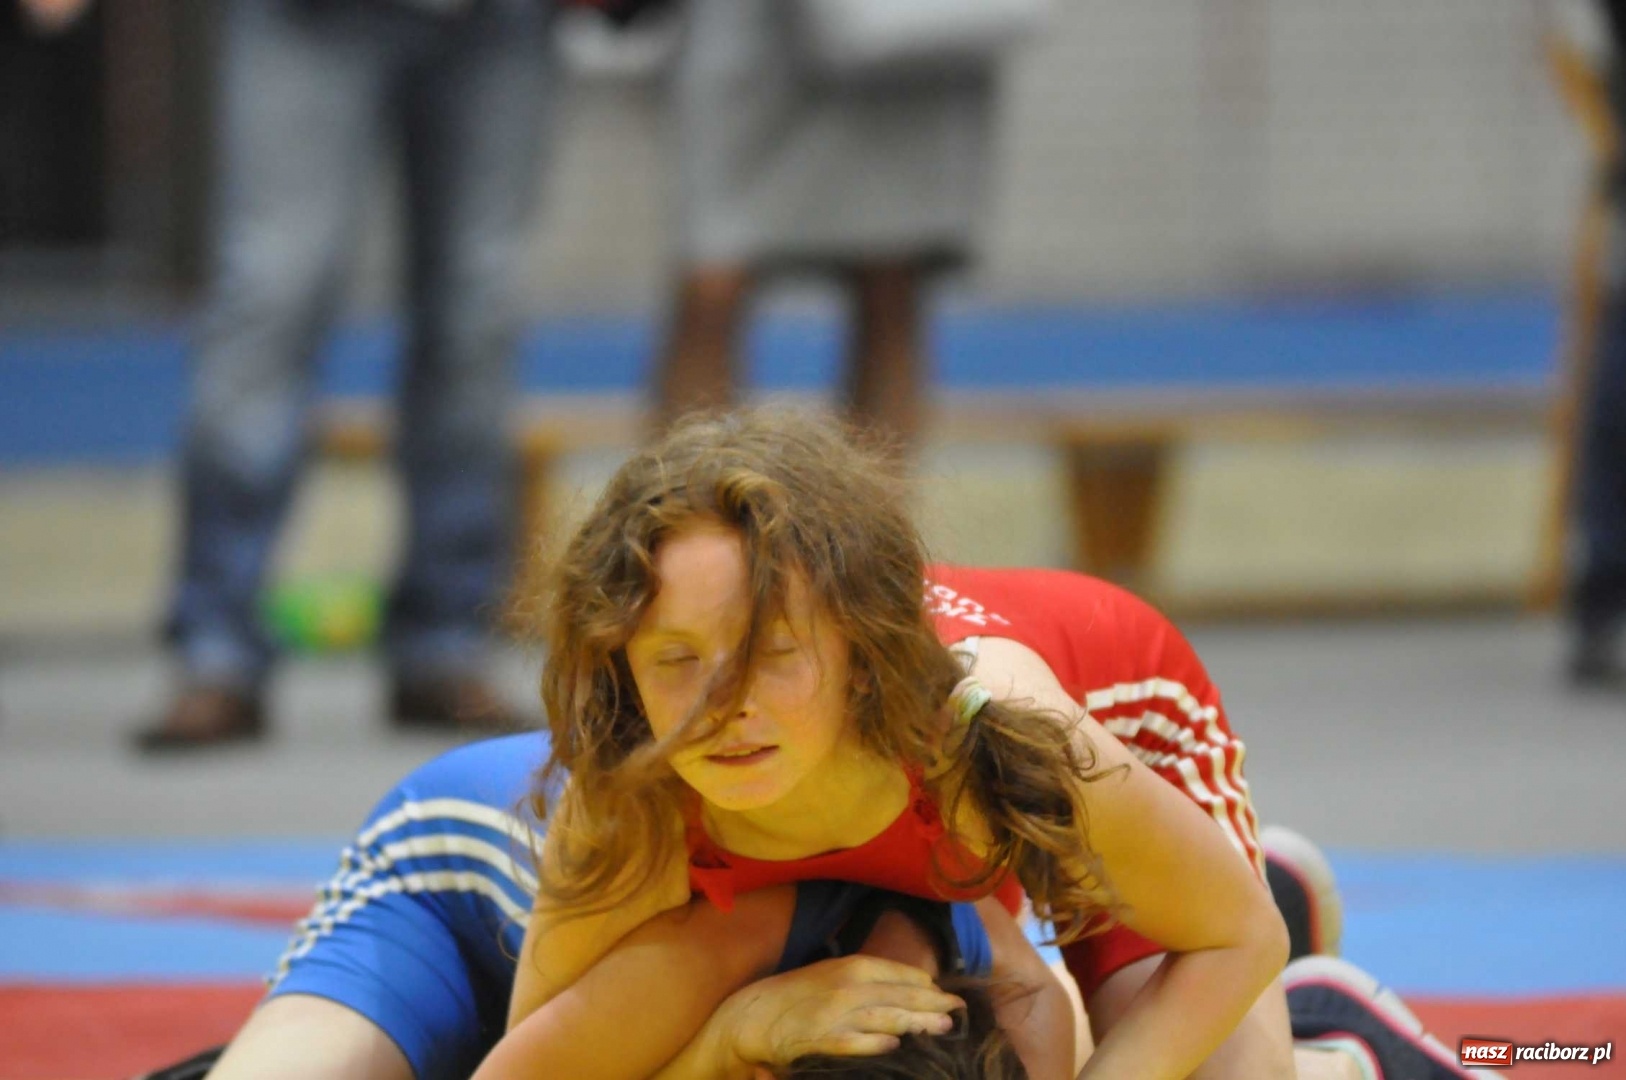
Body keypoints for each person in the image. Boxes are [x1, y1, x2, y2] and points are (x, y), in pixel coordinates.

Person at [504, 408, 1489, 1080]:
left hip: (1103, 742)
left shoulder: (985, 730)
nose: (721, 707)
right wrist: (728, 1038)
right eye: (677, 660)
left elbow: (1240, 940)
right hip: (935, 832)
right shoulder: (628, 789)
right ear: (620, 663)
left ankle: (1335, 1044)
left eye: (771, 655)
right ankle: (1212, 876)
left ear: (859, 655)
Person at [160, 729, 1483, 1080]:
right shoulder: (730, 948)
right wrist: (726, 1042)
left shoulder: (995, 987)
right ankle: (1316, 1033)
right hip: (448, 902)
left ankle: (1290, 992)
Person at [133, 0, 559, 748]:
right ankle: (216, 651)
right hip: (305, 19)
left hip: (498, 22)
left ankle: (446, 644)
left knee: (476, 318)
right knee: (272, 290)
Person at [651, 0, 1004, 453]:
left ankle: (875, 498)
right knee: (712, 281)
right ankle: (688, 490)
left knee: (890, 275)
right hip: (745, 30)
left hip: (906, 39)